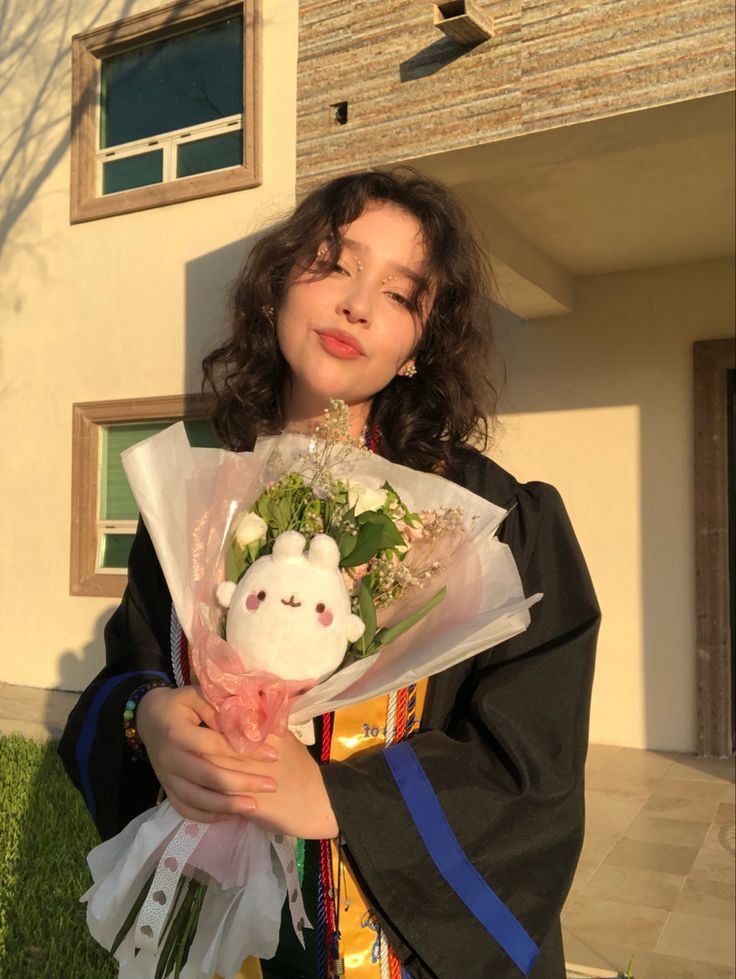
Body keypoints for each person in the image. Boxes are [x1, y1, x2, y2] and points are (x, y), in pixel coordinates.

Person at [59, 169, 600, 979]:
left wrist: (338, 799)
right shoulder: (197, 505)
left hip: (394, 940)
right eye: (335, 263)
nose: (357, 304)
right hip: (225, 918)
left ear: (421, 343)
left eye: (400, 294)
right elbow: (125, 668)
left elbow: (534, 768)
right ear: (276, 282)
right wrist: (154, 719)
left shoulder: (486, 522)